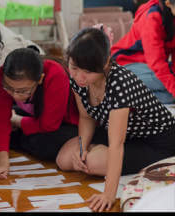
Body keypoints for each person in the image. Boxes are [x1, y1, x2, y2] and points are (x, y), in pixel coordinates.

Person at [56, 27, 175, 212]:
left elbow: (116, 145)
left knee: (92, 162)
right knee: (65, 158)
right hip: (124, 133)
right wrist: (82, 148)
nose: (79, 77)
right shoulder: (78, 80)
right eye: (74, 68)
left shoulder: (119, 83)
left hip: (156, 142)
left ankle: (99, 153)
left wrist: (109, 194)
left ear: (105, 64)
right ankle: (94, 151)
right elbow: (86, 116)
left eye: (87, 71)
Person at [0, 48, 79, 182]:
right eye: (9, 88)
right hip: (34, 116)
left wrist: (18, 121)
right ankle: (22, 138)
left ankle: (21, 137)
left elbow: (49, 125)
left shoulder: (55, 73)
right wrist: (2, 161)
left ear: (40, 79)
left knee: (42, 142)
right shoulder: (4, 75)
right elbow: (0, 120)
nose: (15, 95)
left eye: (23, 91)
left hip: (62, 123)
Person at [111, 0, 175, 104]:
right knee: (166, 83)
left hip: (148, 67)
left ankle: (129, 95)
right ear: (168, 3)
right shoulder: (151, 17)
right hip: (125, 65)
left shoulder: (172, 14)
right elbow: (156, 62)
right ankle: (121, 94)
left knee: (169, 95)